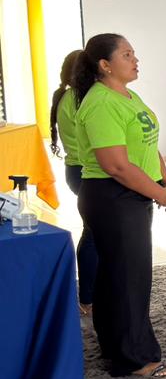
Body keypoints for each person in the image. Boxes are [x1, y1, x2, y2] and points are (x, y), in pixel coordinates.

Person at [74, 34, 166, 378]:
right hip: (112, 197)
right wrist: (158, 194)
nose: (136, 60)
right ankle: (134, 359)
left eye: (134, 54)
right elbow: (116, 165)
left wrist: (164, 182)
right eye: (127, 55)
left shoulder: (127, 95)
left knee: (120, 274)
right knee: (128, 279)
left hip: (131, 193)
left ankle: (116, 346)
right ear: (105, 65)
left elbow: (148, 144)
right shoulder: (101, 102)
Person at [49, 49, 97, 315]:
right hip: (85, 172)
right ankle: (87, 298)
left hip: (77, 171)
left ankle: (91, 295)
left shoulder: (67, 96)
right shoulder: (80, 98)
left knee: (94, 232)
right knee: (93, 233)